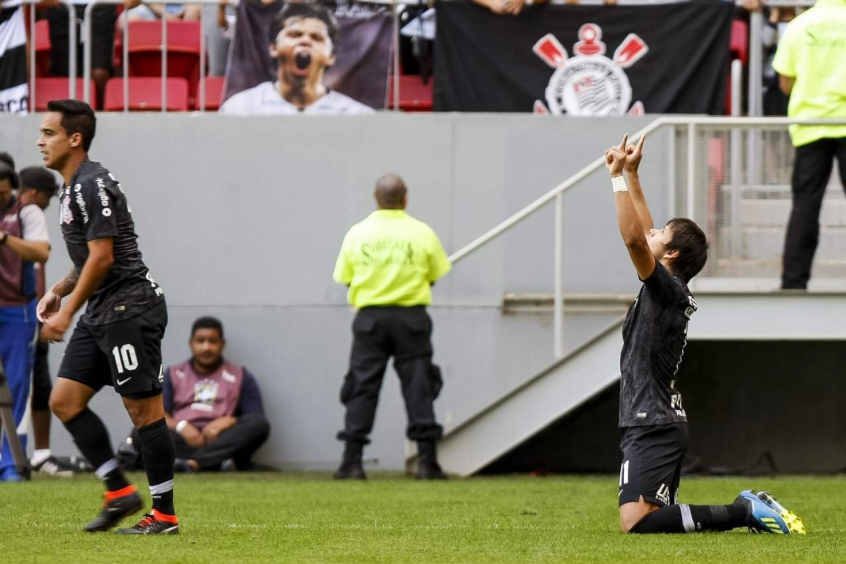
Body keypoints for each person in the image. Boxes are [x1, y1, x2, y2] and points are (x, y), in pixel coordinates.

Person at [605, 134, 805, 535]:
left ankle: (744, 511)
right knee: (646, 522)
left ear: (672, 255)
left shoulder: (667, 290)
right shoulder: (666, 287)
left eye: (663, 232)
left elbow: (632, 238)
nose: (653, 231)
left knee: (635, 525)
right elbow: (644, 234)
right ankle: (734, 511)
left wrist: (616, 181)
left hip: (653, 421)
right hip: (653, 419)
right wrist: (632, 172)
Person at [37, 100, 177, 534]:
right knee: (63, 400)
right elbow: (89, 259)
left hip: (130, 308)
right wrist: (59, 291)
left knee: (144, 411)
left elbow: (103, 257)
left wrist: (67, 312)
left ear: (74, 138)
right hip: (103, 310)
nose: (40, 141)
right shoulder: (72, 186)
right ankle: (118, 491)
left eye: (49, 133)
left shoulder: (90, 184)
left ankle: (165, 515)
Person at [332, 173, 451, 480]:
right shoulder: (422, 232)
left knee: (362, 386)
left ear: (376, 197)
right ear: (405, 198)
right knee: (418, 387)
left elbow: (346, 277)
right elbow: (434, 274)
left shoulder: (358, 233)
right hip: (412, 318)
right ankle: (427, 463)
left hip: (370, 319)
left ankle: (352, 462)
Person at [123, 316, 270, 473]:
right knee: (142, 432)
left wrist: (229, 421)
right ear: (191, 343)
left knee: (259, 425)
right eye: (200, 341)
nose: (206, 347)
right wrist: (182, 427)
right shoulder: (173, 374)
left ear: (222, 344)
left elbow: (254, 418)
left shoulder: (240, 375)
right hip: (182, 439)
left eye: (212, 341)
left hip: (221, 439)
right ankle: (215, 462)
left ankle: (191, 464)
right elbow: (158, 415)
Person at [773, 0, 846, 290]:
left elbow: (785, 83)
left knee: (805, 207)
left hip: (809, 126)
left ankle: (793, 284)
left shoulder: (799, 25)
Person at [15, 166, 76, 476]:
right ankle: (17, 454)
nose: (50, 203)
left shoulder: (29, 220)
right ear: (37, 192)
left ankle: (38, 454)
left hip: (30, 313)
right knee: (19, 384)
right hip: (16, 315)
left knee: (38, 382)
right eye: (48, 196)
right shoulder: (20, 216)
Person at [219, 3, 373, 115]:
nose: (305, 41)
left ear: (331, 57)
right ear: (273, 47)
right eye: (295, 35)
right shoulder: (241, 108)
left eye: (316, 37)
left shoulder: (357, 115)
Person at [0, 163, 50, 482]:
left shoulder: (26, 213)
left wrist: (4, 238)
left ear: (12, 189)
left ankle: (12, 464)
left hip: (16, 309)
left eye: (2, 192)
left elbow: (40, 252)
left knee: (17, 385)